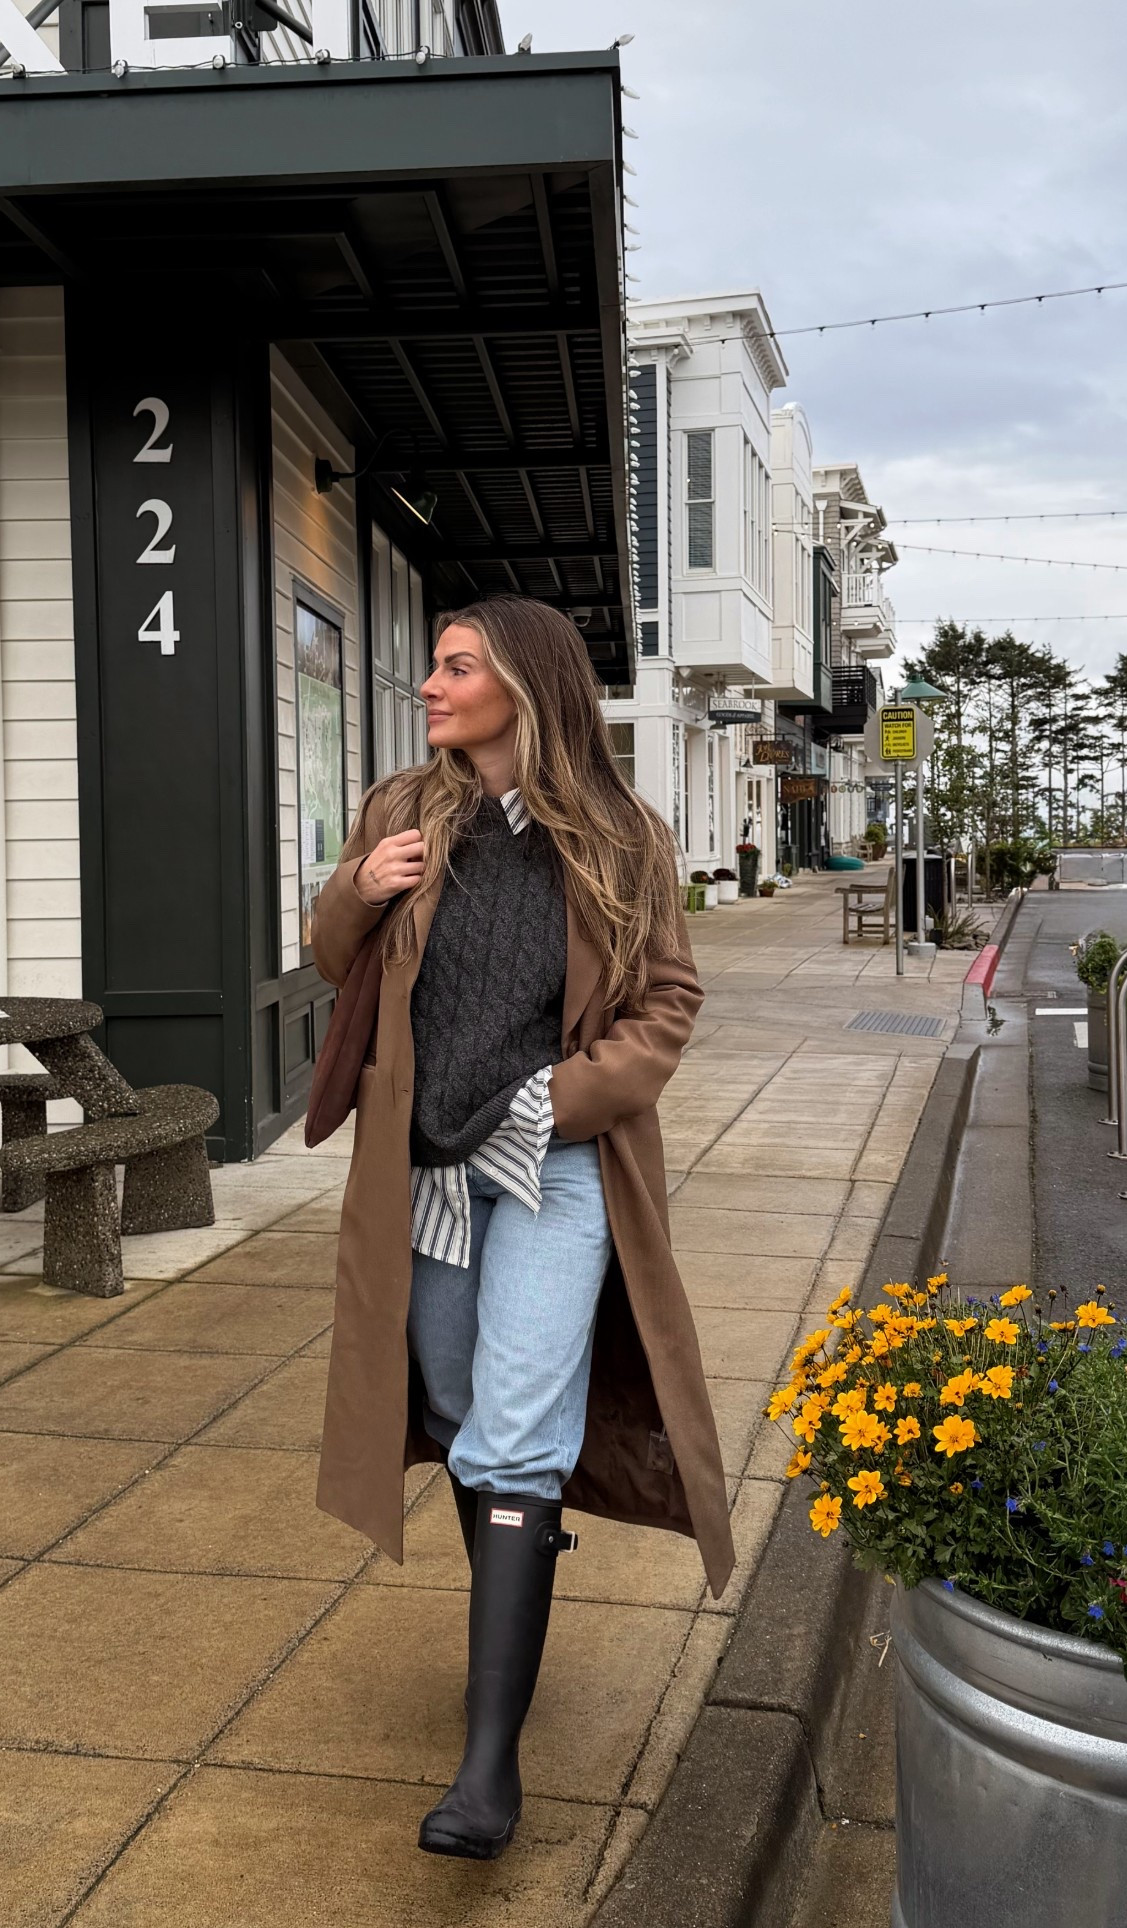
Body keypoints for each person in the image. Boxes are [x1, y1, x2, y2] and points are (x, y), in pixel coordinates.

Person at [310, 594, 733, 1862]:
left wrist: (560, 1098)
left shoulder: (620, 834)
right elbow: (335, 963)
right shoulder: (403, 812)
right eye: (434, 666)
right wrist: (356, 890)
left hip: (551, 1172)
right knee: (451, 1397)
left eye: (455, 666)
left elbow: (665, 1003)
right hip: (427, 1171)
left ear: (526, 686)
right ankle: (514, 1613)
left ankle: (489, 1761)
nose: (431, 687)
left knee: (517, 1426)